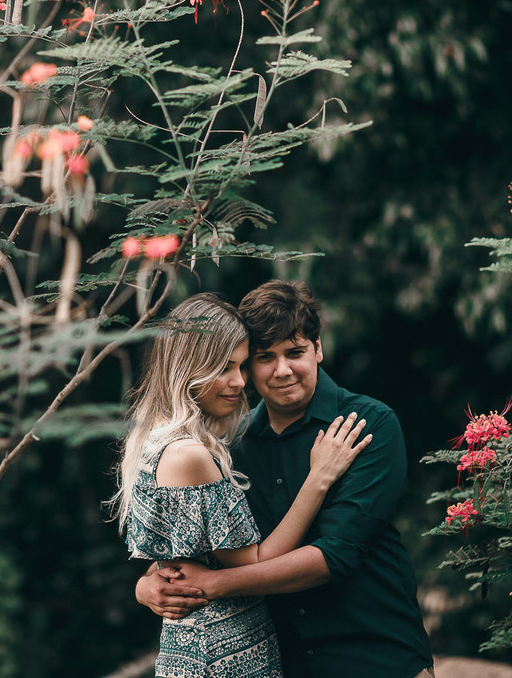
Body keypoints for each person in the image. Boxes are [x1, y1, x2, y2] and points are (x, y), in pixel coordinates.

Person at [136, 280, 436, 678]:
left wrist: (213, 585)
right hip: (284, 663)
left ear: (318, 349)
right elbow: (196, 547)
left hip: (376, 655)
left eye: (295, 353)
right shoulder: (230, 445)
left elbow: (335, 555)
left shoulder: (366, 425)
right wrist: (149, 586)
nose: (282, 370)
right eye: (264, 357)